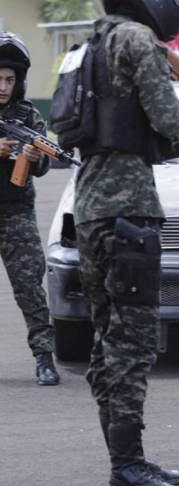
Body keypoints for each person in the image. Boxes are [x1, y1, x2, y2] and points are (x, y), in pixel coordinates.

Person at [73, 0, 179, 486]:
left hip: (93, 206)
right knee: (131, 345)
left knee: (108, 341)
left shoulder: (96, 42)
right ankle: (127, 473)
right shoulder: (137, 39)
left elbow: (129, 132)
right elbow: (166, 119)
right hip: (128, 213)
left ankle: (127, 462)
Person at [0, 33, 60, 386]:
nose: (3, 87)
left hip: (15, 213)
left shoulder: (27, 116)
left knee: (29, 286)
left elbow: (42, 167)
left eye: (9, 80)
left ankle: (44, 357)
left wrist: (33, 159)